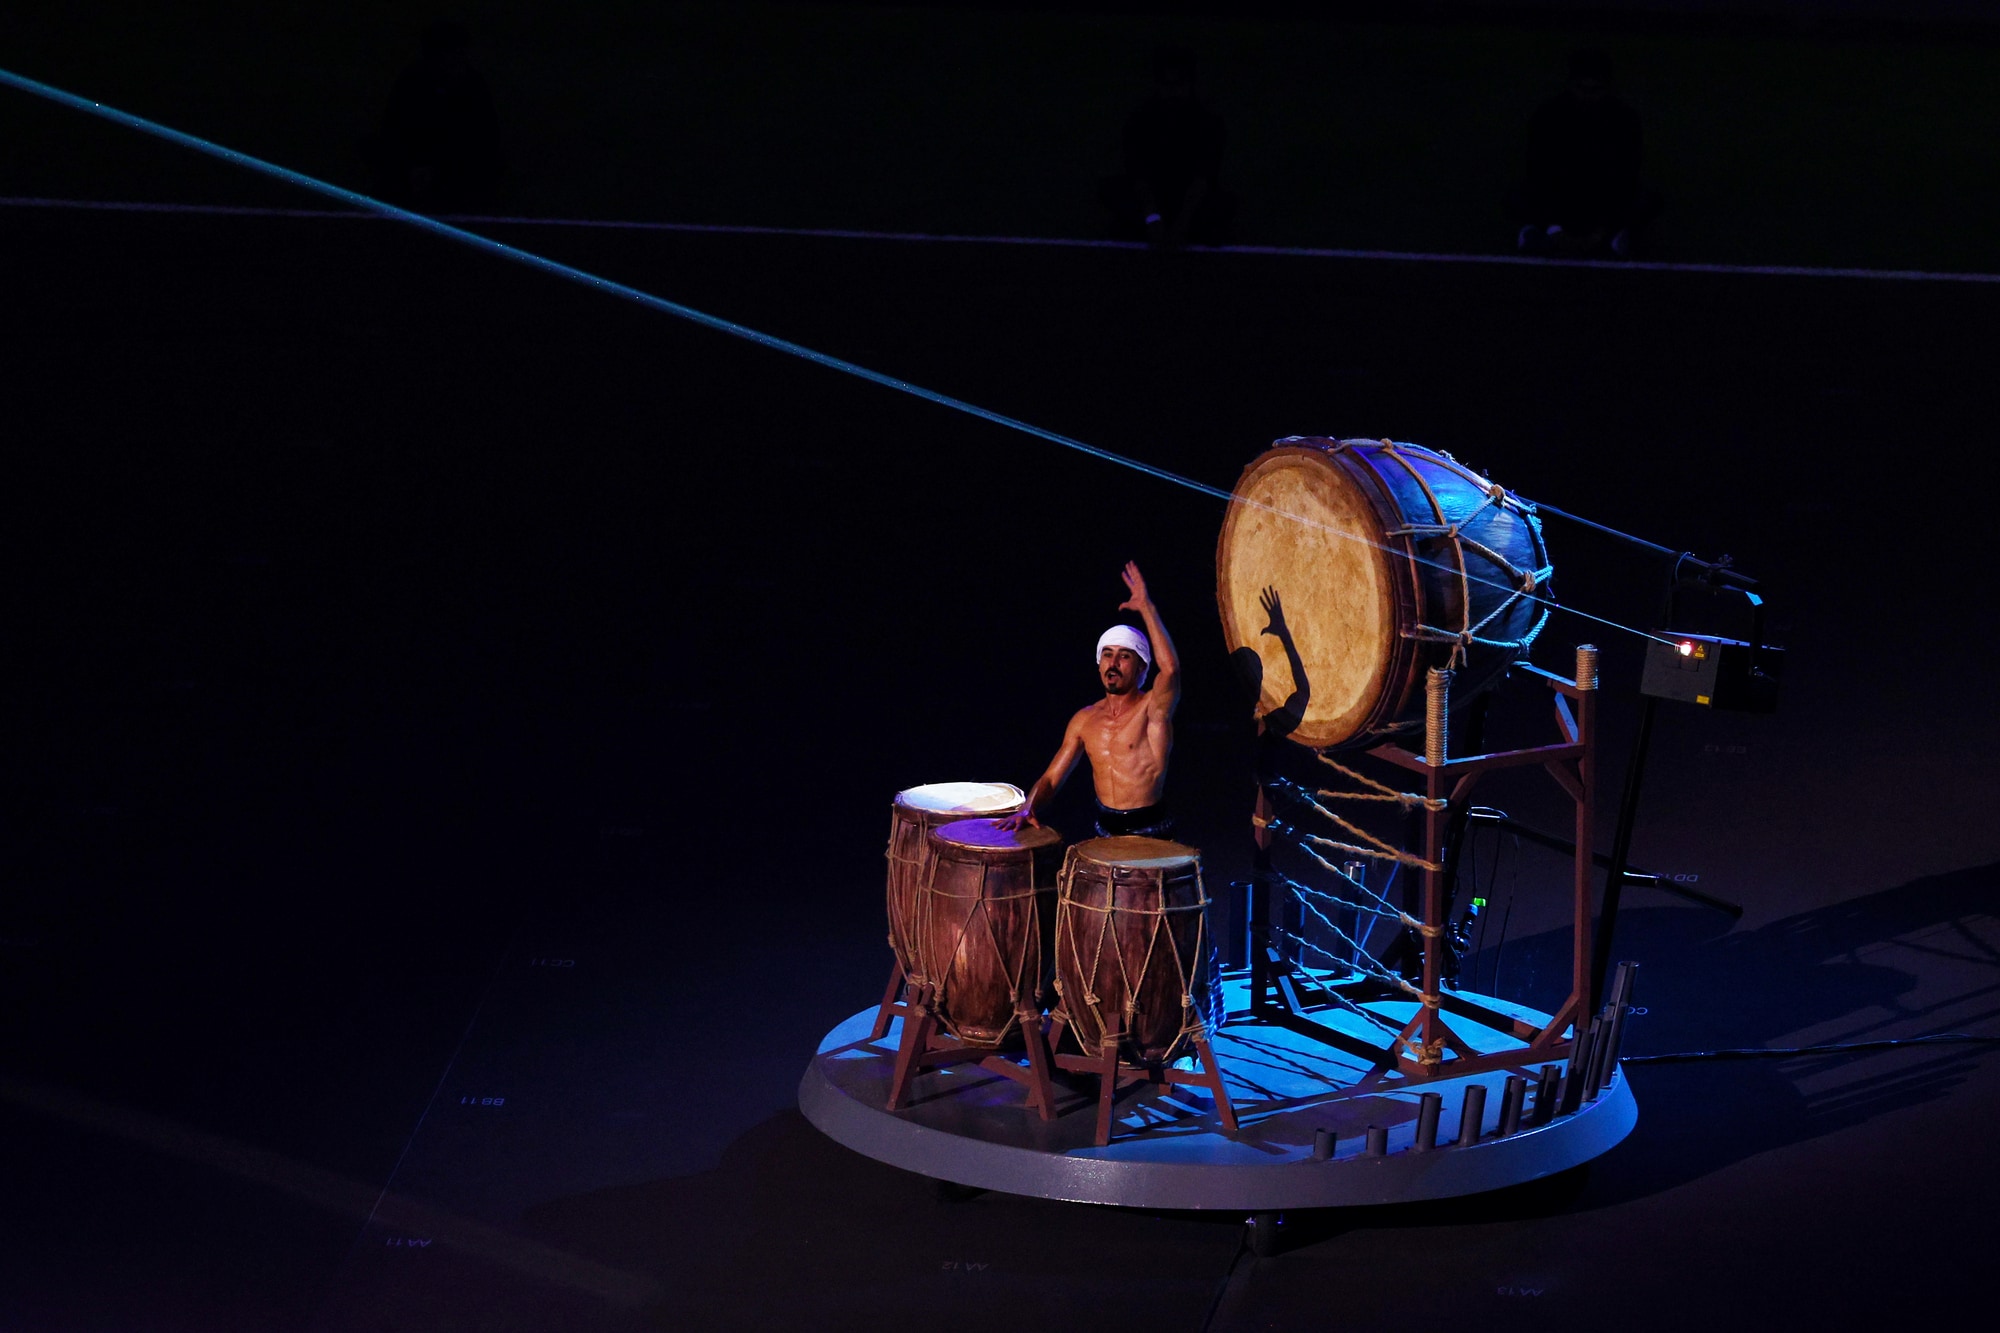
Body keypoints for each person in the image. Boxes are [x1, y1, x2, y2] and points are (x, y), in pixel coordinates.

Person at [1001, 562, 1180, 839]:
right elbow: (1051, 778)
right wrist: (1028, 808)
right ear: (1099, 664)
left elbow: (1170, 670)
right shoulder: (1084, 719)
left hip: (1150, 832)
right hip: (1104, 830)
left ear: (1141, 667)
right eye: (1107, 655)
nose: (1113, 663)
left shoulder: (1152, 710)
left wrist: (1146, 607)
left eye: (1124, 656)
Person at [1513, 48, 1661, 258]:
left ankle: (1613, 238)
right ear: (1571, 85)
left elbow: (1625, 176)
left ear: (1607, 87)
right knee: (1519, 195)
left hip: (1603, 202)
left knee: (1646, 199)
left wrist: (1601, 232)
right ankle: (1543, 234)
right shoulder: (1547, 117)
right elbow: (1538, 173)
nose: (1588, 97)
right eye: (1582, 88)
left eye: (1596, 89)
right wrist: (1555, 228)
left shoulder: (1624, 120)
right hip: (1559, 198)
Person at [1099, 46, 1234, 250]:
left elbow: (1204, 177)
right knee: (1112, 192)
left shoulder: (1208, 123)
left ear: (1190, 84)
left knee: (1222, 205)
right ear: (1157, 85)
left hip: (1193, 206)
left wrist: (1182, 223)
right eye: (1166, 85)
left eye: (1178, 84)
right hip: (1151, 204)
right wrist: (1153, 219)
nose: (1172, 93)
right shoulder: (1140, 121)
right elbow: (1138, 175)